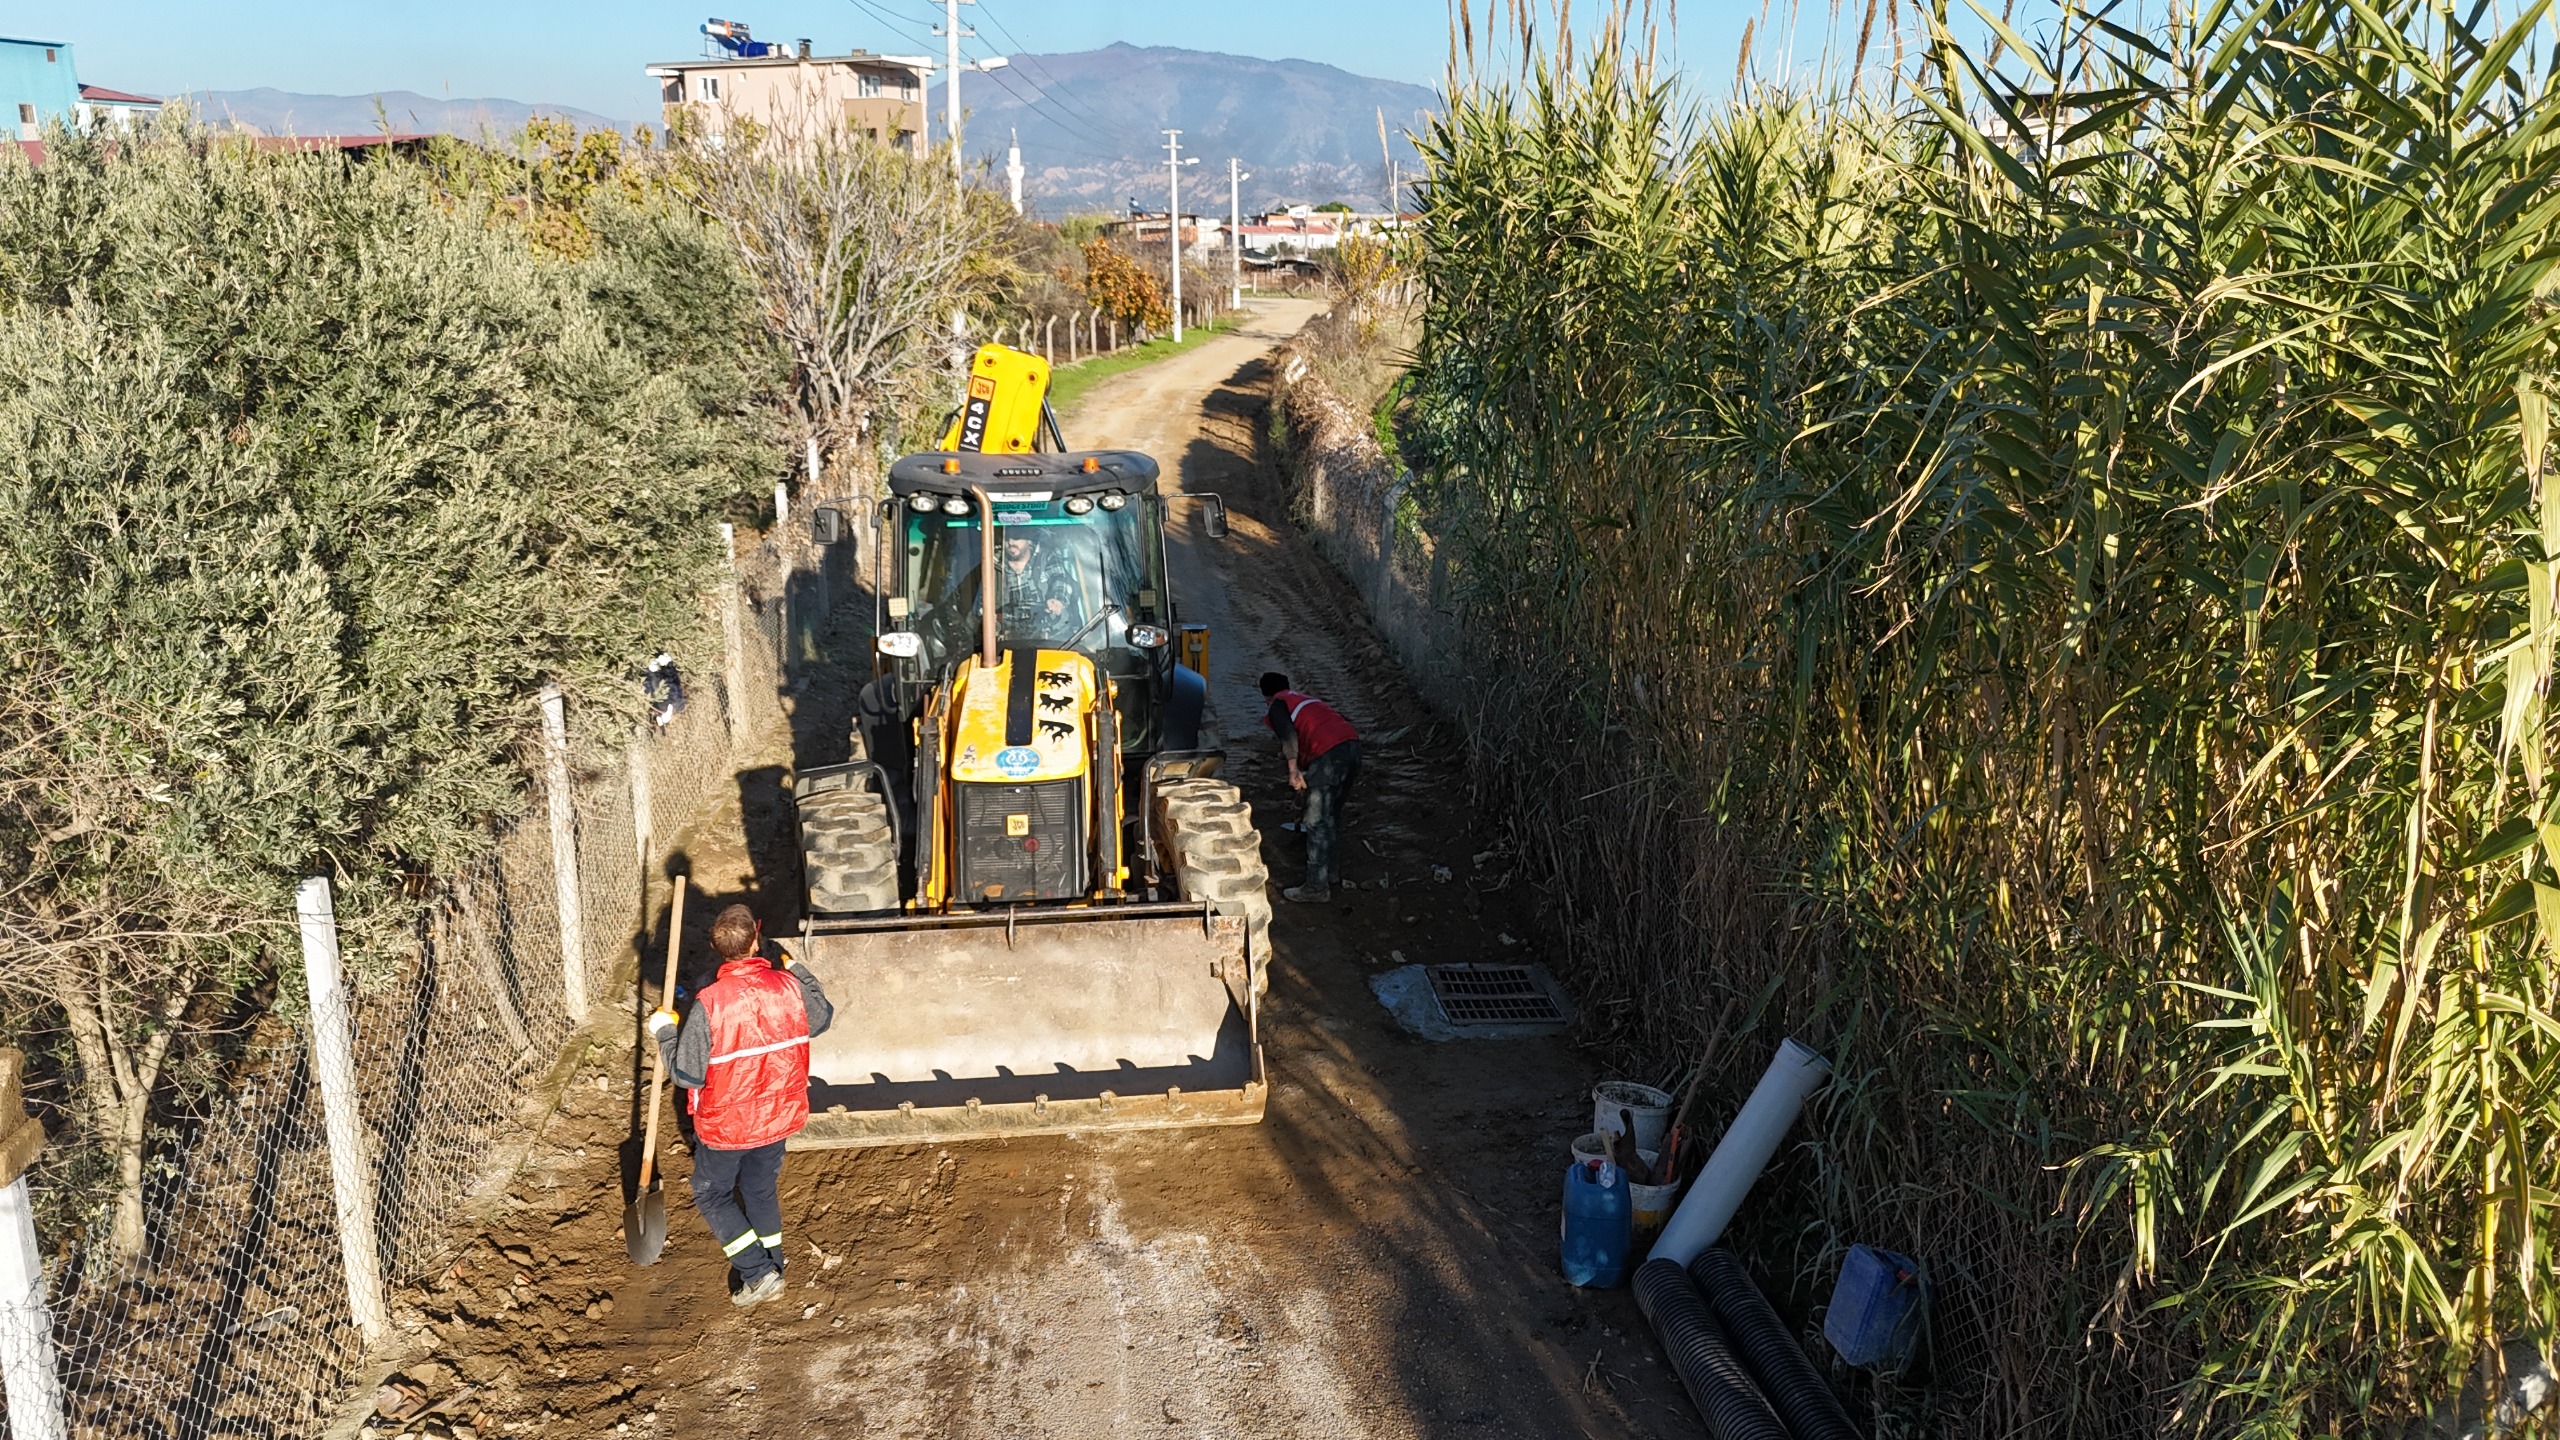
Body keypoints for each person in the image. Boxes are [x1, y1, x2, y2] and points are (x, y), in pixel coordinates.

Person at [647, 904, 833, 1308]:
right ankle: (775, 1263)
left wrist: (664, 1033)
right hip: (780, 1115)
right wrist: (797, 968)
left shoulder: (709, 1002)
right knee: (760, 1189)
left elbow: (687, 1075)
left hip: (728, 1127)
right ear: (756, 939)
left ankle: (758, 1271)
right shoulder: (787, 986)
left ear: (718, 949)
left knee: (711, 1193)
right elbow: (821, 1019)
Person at [1259, 672, 1361, 903]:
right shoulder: (1307, 701)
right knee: (1331, 815)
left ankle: (1316, 887)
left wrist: (1293, 770)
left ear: (1266, 696)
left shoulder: (1278, 705)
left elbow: (1288, 736)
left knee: (1315, 821)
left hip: (1329, 757)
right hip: (1352, 749)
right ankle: (1330, 874)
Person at [998, 531, 1079, 641]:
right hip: (1007, 642)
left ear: (1029, 539)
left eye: (1016, 536)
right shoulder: (990, 565)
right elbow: (980, 604)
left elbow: (1060, 579)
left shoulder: (1047, 557)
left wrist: (1057, 600)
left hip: (1054, 640)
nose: (1011, 542)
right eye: (1006, 538)